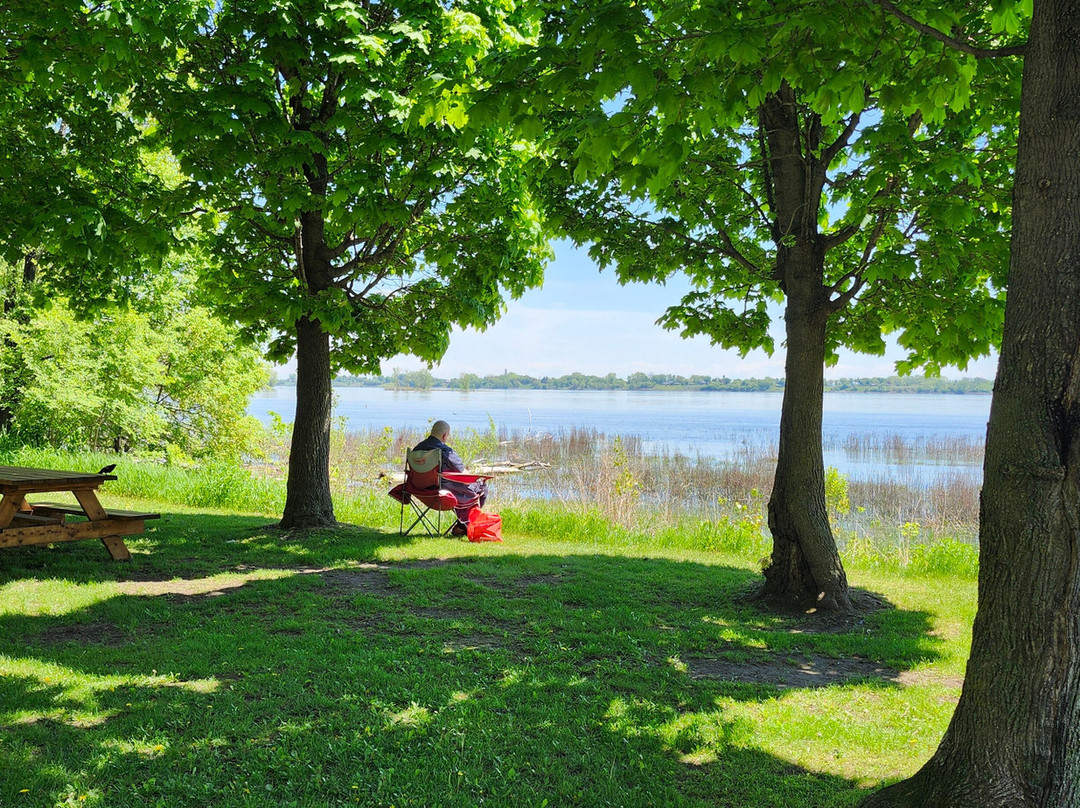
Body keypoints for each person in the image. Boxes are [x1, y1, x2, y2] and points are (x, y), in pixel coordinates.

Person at [413, 420, 488, 536]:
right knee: (482, 485)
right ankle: (463, 525)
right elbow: (463, 473)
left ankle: (463, 524)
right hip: (443, 493)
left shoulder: (416, 449)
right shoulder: (444, 451)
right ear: (445, 435)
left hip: (419, 491)